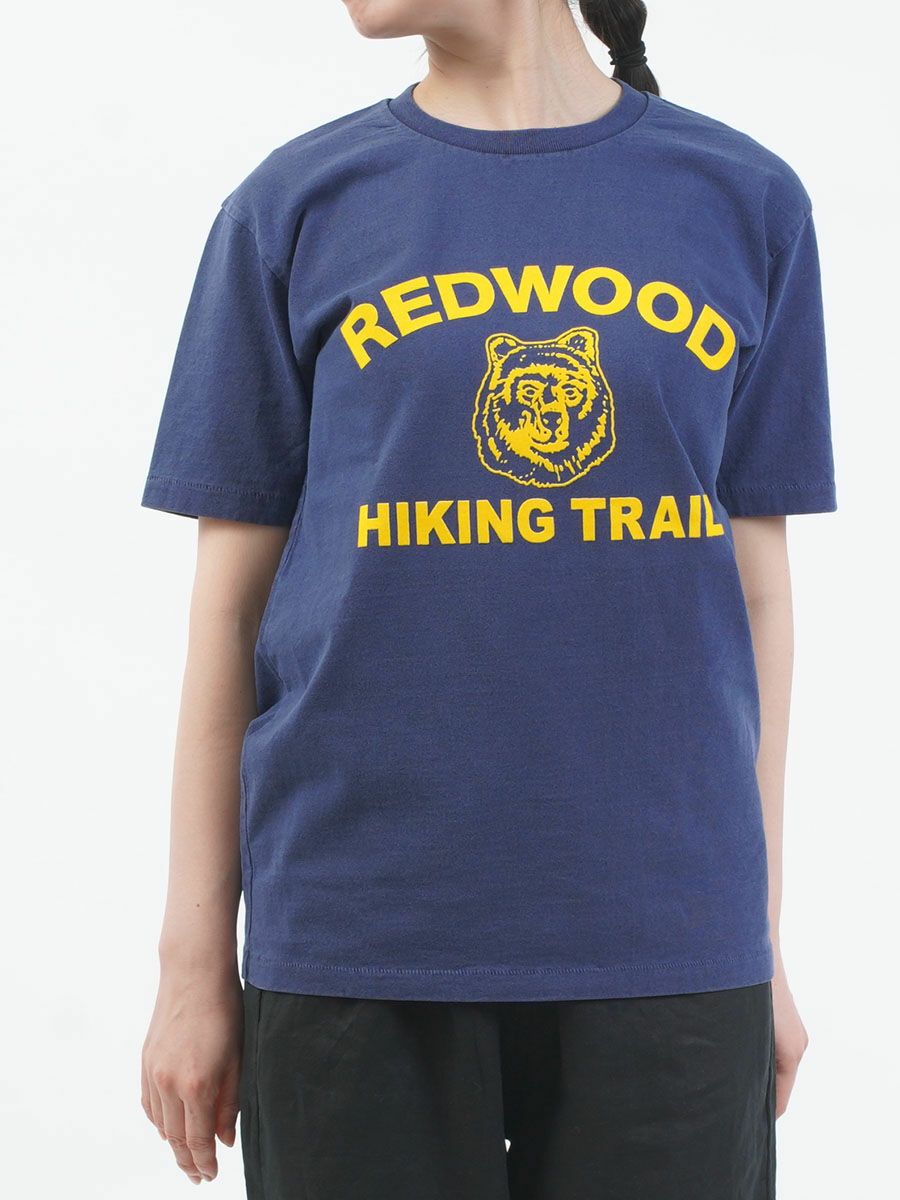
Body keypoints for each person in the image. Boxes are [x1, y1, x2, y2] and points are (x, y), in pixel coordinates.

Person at [139, 1, 837, 1195]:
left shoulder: (743, 198)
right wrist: (190, 964)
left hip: (663, 935)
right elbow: (228, 615)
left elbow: (758, 602)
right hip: (359, 930)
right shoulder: (294, 204)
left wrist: (753, 935)